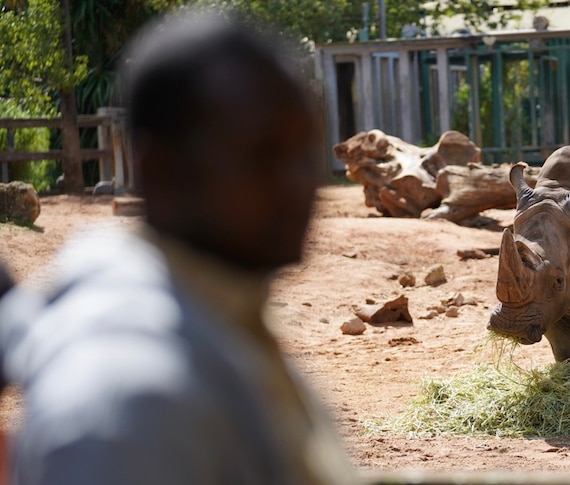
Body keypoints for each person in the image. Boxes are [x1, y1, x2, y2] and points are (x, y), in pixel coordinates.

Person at [0, 11, 358, 485]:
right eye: (263, 153)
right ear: (162, 172)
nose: (301, 184)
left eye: (304, 152)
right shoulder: (132, 397)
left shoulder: (223, 321)